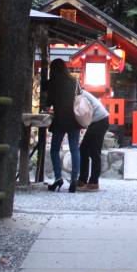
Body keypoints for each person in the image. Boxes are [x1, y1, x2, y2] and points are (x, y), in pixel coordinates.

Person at [43, 59, 80, 193]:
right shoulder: (74, 81)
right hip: (74, 119)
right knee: (74, 149)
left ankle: (58, 178)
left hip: (59, 120)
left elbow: (48, 103)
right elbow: (80, 97)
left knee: (54, 150)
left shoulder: (52, 83)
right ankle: (74, 178)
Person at [77, 89, 110, 191]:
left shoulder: (79, 95)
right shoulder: (79, 93)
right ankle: (83, 180)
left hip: (100, 120)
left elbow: (81, 111)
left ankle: (93, 182)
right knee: (83, 150)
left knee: (94, 152)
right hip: (98, 121)